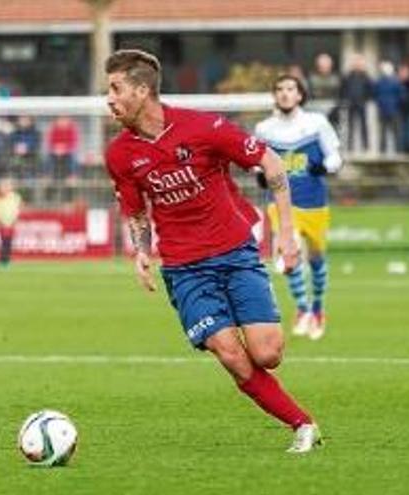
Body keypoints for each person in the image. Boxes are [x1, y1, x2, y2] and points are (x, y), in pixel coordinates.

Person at [103, 49, 321, 453]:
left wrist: (287, 233)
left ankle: (291, 408)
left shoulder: (203, 127)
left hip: (235, 253)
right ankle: (302, 424)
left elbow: (271, 163)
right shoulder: (119, 154)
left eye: (116, 89)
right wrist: (141, 251)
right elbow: (134, 210)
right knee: (231, 355)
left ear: (142, 90)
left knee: (267, 352)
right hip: (185, 269)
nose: (109, 99)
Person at [256, 75, 343, 340]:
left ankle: (317, 307)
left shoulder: (316, 123)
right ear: (275, 95)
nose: (284, 93)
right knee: (288, 256)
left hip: (314, 202)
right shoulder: (265, 129)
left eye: (290, 89)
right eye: (279, 89)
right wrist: (259, 173)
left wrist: (324, 167)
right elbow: (255, 161)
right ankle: (303, 309)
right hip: (282, 204)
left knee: (316, 260)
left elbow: (335, 156)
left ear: (300, 95)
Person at [340, 54, 372, 152]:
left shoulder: (366, 76)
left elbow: (370, 89)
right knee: (351, 125)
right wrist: (345, 100)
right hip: (351, 103)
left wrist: (366, 99)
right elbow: (343, 89)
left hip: (362, 103)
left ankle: (365, 146)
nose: (357, 64)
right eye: (355, 62)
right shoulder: (348, 76)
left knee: (364, 125)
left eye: (359, 62)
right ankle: (350, 146)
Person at [0, 178, 22, 267]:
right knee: (5, 241)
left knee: (7, 241)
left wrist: (15, 219)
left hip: (11, 223)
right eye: (3, 186)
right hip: (2, 223)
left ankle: (5, 259)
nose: (5, 188)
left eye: (7, 186)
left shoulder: (15, 197)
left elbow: (18, 207)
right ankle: (4, 259)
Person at [373, 61, 405, 154]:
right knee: (384, 133)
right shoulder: (380, 82)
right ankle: (384, 151)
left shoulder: (395, 82)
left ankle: (398, 150)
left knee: (395, 132)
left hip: (393, 110)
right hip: (385, 110)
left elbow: (401, 95)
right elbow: (375, 94)